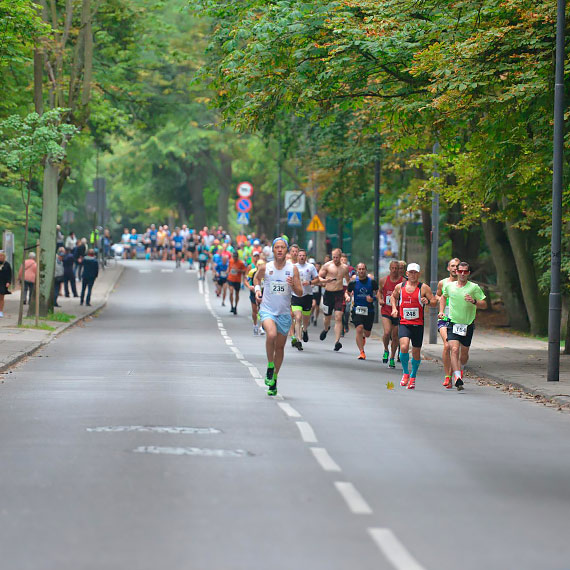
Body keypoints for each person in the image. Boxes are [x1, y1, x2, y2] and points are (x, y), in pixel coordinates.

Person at [254, 238, 302, 396]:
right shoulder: (265, 267)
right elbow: (256, 278)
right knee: (271, 334)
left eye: (282, 247)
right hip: (267, 310)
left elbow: (300, 292)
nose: (280, 250)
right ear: (273, 250)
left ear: (286, 250)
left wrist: (293, 285)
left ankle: (274, 378)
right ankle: (269, 365)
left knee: (280, 348)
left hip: (283, 313)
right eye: (277, 247)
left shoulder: (292, 269)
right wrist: (257, 290)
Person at [440, 261, 487, 391]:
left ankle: (460, 368)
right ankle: (457, 377)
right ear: (457, 272)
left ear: (468, 273)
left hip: (468, 325)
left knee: (464, 355)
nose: (462, 274)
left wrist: (474, 301)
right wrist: (441, 311)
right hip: (453, 322)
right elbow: (443, 297)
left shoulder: (474, 288)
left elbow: (484, 304)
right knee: (453, 349)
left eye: (465, 272)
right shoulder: (450, 286)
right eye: (460, 271)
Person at [390, 263, 436, 390]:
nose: (413, 275)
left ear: (419, 274)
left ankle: (413, 376)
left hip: (418, 324)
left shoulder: (424, 288)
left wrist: (428, 302)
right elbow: (393, 297)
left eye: (415, 272)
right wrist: (394, 308)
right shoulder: (400, 287)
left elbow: (434, 302)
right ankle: (405, 373)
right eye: (411, 272)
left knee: (416, 352)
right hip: (404, 322)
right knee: (404, 347)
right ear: (407, 273)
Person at [319, 248, 351, 351]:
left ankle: (337, 342)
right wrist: (325, 280)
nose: (335, 259)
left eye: (337, 257)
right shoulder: (327, 266)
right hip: (328, 294)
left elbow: (348, 281)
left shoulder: (345, 268)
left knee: (338, 317)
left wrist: (348, 293)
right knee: (327, 318)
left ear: (340, 257)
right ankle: (326, 328)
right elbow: (319, 277)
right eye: (334, 257)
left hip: (339, 293)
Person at [436, 258, 460, 388]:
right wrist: (440, 299)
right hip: (444, 317)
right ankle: (447, 376)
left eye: (457, 266)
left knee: (455, 348)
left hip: (458, 318)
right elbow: (436, 296)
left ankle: (453, 373)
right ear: (448, 268)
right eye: (452, 266)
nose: (455, 268)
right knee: (447, 346)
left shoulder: (464, 284)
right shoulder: (442, 283)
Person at [346, 262, 379, 360]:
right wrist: (348, 297)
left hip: (369, 310)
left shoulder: (372, 282)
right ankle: (361, 352)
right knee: (359, 328)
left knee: (367, 333)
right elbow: (347, 292)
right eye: (359, 269)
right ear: (357, 270)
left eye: (363, 269)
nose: (361, 271)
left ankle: (363, 337)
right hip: (357, 309)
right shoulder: (353, 282)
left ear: (366, 270)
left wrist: (373, 298)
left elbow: (378, 294)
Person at [291, 249, 319, 350]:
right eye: (300, 255)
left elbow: (317, 279)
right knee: (298, 317)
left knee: (305, 319)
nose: (302, 257)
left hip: (307, 295)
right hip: (296, 296)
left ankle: (305, 330)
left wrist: (310, 282)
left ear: (306, 257)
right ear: (297, 257)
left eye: (303, 255)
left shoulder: (310, 267)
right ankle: (299, 339)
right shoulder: (293, 267)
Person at [379, 260, 403, 368]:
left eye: (396, 268)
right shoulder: (383, 280)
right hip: (386, 310)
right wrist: (380, 299)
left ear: (399, 269)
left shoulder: (403, 282)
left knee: (395, 336)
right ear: (390, 268)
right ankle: (385, 349)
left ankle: (392, 358)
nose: (394, 270)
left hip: (399, 312)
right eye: (392, 268)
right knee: (387, 332)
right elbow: (379, 292)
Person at [246, 253, 265, 335]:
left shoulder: (266, 272)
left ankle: (261, 327)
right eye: (259, 265)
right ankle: (255, 325)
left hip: (263, 293)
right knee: (254, 310)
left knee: (262, 310)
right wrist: (249, 286)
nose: (260, 266)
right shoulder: (252, 272)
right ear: (256, 265)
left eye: (262, 265)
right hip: (254, 292)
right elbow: (246, 280)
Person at [0, 251, 13, 317]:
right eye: (0, 256)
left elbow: (9, 274)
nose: (1, 257)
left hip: (3, 283)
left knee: (1, 297)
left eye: (2, 256)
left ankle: (1, 311)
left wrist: (8, 282)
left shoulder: (7, 264)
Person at [310, 261, 322, 327]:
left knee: (317, 307)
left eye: (318, 267)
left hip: (318, 292)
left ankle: (315, 319)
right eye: (316, 266)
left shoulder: (321, 274)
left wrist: (319, 284)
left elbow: (323, 284)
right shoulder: (312, 274)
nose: (317, 268)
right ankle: (311, 315)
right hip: (312, 292)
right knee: (313, 305)